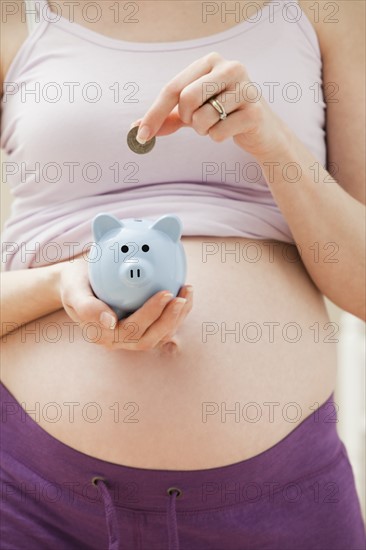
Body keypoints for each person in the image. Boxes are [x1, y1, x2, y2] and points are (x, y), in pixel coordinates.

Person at [1, 0, 365, 548]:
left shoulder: (330, 11)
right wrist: (60, 285)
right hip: (31, 501)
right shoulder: (14, 18)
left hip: (281, 505)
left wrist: (272, 142)